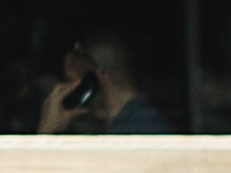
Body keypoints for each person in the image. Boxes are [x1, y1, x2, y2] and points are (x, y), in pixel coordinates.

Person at [37, 29, 174, 135]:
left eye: (72, 83)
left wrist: (46, 132)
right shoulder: (141, 119)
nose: (71, 90)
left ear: (93, 79)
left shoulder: (131, 131)